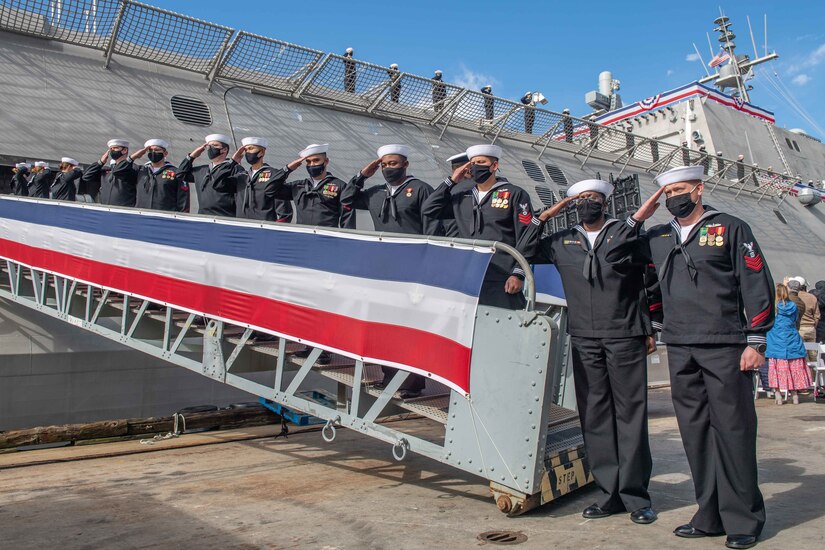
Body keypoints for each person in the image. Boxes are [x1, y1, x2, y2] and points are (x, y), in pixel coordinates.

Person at [631, 165, 773, 549]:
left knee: (734, 432)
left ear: (698, 189)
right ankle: (709, 514)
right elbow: (639, 273)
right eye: (668, 191)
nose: (675, 195)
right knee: (695, 434)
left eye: (681, 188)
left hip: (726, 344)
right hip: (680, 345)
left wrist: (756, 340)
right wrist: (656, 325)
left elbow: (755, 280)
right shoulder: (658, 236)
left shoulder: (730, 227)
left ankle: (743, 518)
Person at [531, 179, 657, 525]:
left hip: (624, 334)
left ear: (605, 203)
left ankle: (635, 495)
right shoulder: (562, 242)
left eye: (593, 199)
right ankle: (608, 493)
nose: (587, 203)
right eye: (581, 199)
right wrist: (550, 213)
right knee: (595, 415)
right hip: (585, 338)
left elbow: (653, 277)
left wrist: (651, 324)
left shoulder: (625, 235)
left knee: (629, 414)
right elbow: (525, 246)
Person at [349, 144, 439, 397]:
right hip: (384, 268)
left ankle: (411, 383)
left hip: (412, 268)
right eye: (385, 164)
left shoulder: (420, 189)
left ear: (405, 164)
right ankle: (389, 377)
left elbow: (433, 226)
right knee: (385, 325)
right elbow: (345, 198)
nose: (389, 169)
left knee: (409, 327)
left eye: (394, 164)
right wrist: (363, 175)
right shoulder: (375, 192)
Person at [421, 144, 538, 309]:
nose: (475, 166)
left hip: (501, 275)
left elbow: (527, 235)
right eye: (472, 163)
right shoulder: (462, 197)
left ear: (494, 165)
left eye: (481, 162)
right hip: (468, 274)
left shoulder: (514, 194)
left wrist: (518, 273)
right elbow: (429, 209)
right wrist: (451, 180)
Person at [269, 143, 354, 229]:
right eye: (308, 161)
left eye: (316, 160)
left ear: (326, 161)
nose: (312, 164)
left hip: (326, 238)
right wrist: (288, 169)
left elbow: (347, 218)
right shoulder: (298, 186)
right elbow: (269, 190)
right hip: (302, 236)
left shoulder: (339, 185)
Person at [178, 134, 245, 217]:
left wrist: (231, 163)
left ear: (224, 150)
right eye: (209, 146)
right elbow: (180, 175)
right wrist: (191, 156)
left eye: (215, 145)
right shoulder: (202, 170)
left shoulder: (236, 169)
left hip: (226, 216)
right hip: (203, 216)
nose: (210, 148)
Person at [766, 283, 812, 405]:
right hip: (792, 340)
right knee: (794, 368)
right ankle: (795, 395)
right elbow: (796, 320)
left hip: (776, 341)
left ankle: (778, 395)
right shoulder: (794, 306)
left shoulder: (773, 307)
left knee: (776, 369)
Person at [235, 136, 292, 222]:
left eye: (251, 149)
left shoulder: (273, 175)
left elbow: (284, 211)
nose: (247, 152)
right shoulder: (242, 176)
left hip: (263, 228)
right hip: (241, 225)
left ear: (261, 152)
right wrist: (233, 162)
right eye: (246, 150)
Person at [131, 139, 190, 212]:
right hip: (141, 215)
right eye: (150, 150)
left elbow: (183, 200)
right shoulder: (140, 170)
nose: (153, 152)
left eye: (157, 150)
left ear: (165, 153)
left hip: (165, 217)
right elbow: (118, 171)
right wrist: (134, 156)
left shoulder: (176, 172)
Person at [82, 139, 139, 206]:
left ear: (125, 150)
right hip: (105, 208)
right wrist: (100, 162)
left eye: (115, 148)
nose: (112, 150)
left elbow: (119, 171)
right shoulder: (106, 169)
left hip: (123, 209)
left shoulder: (133, 168)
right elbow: (86, 176)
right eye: (111, 149)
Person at [792, 276, 820, 358]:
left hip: (799, 329)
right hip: (811, 328)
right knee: (813, 354)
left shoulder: (794, 298)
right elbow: (817, 315)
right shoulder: (812, 297)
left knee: (800, 354)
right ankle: (814, 370)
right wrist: (813, 326)